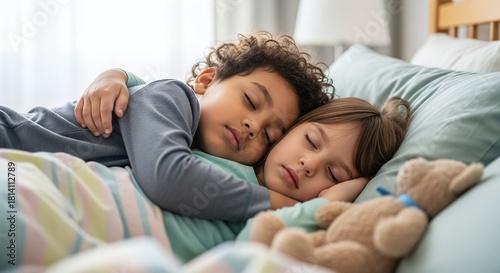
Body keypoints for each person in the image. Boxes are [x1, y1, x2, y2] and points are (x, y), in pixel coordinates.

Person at [0, 31, 332, 222]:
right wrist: (294, 205)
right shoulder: (175, 96)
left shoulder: (188, 136)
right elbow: (168, 177)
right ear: (206, 81)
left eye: (270, 135)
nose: (252, 126)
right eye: (250, 101)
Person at [78, 84, 411, 261]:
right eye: (310, 141)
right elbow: (157, 102)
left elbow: (249, 250)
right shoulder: (224, 148)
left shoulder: (291, 220)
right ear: (291, 129)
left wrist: (325, 206)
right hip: (86, 189)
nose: (309, 164)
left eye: (334, 174)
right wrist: (119, 75)